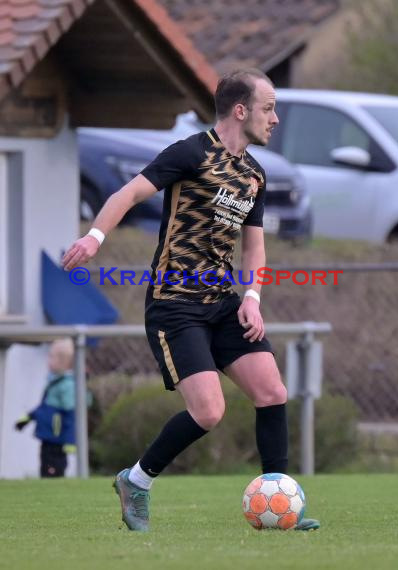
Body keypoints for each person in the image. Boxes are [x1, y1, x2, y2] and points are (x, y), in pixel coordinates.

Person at [62, 68, 320, 531]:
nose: (275, 119)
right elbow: (128, 191)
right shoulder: (190, 153)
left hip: (223, 302)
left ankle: (280, 504)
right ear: (240, 111)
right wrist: (95, 237)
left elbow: (254, 246)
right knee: (209, 411)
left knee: (272, 392)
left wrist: (253, 297)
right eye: (268, 108)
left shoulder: (254, 175)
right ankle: (136, 481)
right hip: (174, 304)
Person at [15, 338, 76, 477]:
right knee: (45, 466)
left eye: (51, 357)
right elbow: (44, 408)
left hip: (56, 438)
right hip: (47, 437)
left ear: (63, 361)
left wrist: (70, 440)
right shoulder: (54, 381)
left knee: (55, 468)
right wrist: (27, 418)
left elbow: (71, 416)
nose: (48, 360)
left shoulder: (67, 385)